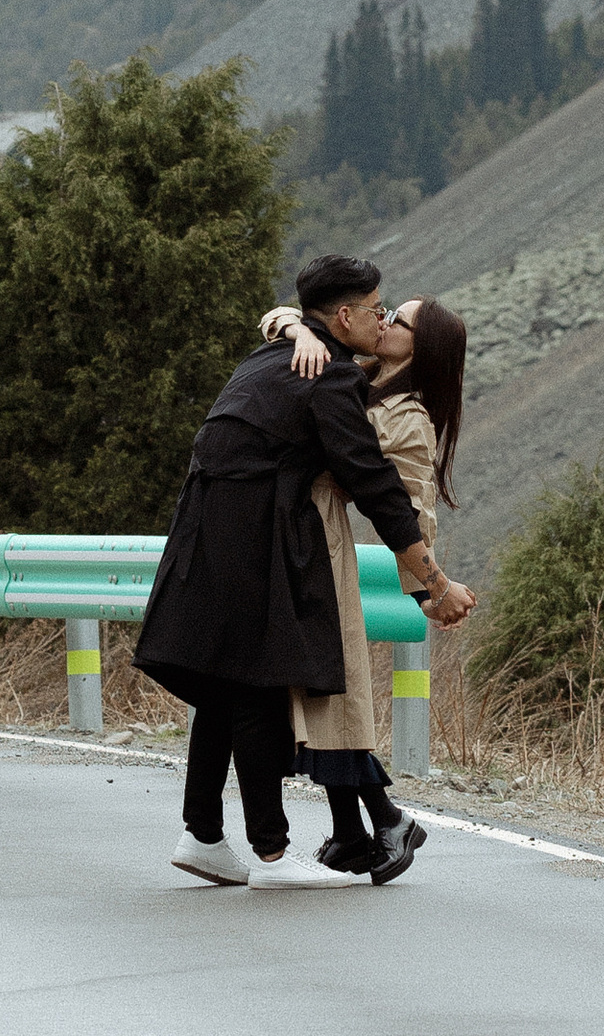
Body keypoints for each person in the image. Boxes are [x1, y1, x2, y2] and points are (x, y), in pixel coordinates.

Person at [135, 253, 476, 889]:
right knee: (262, 681)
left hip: (207, 519)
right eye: (379, 310)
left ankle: (204, 833)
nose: (383, 318)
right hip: (266, 531)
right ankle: (272, 854)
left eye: (392, 315)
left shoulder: (284, 360)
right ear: (344, 317)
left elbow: (405, 496)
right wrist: (436, 585)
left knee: (225, 680)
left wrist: (297, 328)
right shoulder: (328, 374)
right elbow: (376, 488)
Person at [267, 290, 469, 880]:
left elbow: (411, 512)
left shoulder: (408, 418)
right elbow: (277, 314)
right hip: (300, 536)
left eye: (397, 320)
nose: (382, 322)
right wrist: (301, 332)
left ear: (419, 344)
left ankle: (380, 821)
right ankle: (360, 828)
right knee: (325, 691)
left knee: (334, 691)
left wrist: (431, 588)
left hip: (321, 543)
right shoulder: (353, 371)